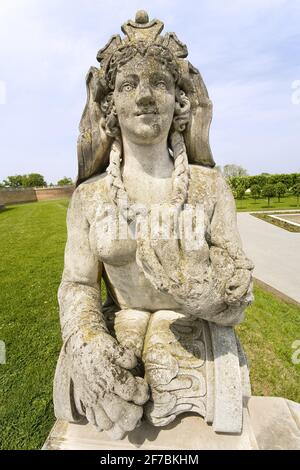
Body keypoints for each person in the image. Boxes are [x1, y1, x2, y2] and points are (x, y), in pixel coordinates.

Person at [54, 11, 253, 439]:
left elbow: (239, 296)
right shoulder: (89, 197)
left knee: (166, 354)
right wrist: (86, 339)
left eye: (159, 83)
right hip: (119, 324)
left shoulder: (209, 188)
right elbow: (78, 284)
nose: (145, 96)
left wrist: (204, 292)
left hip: (188, 330)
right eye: (129, 85)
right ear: (110, 106)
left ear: (179, 101)